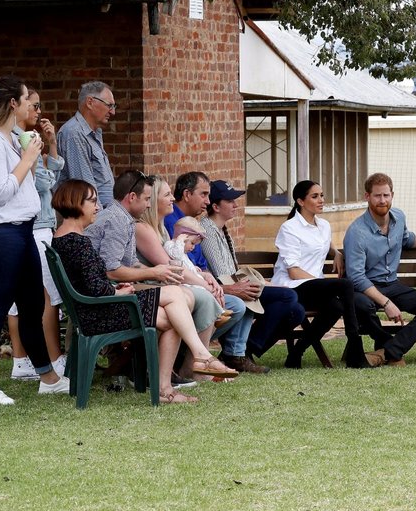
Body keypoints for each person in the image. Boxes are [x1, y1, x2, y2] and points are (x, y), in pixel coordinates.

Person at [51, 180, 237, 404]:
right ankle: (189, 366)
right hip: (101, 312)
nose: (98, 207)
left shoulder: (68, 237)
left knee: (172, 314)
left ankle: (179, 376)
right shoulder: (76, 242)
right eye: (92, 201)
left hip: (99, 307)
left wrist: (117, 289)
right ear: (75, 203)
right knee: (176, 298)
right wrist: (119, 293)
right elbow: (96, 286)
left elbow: (91, 282)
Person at [0, 76, 69, 405]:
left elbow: (30, 186)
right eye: (26, 99)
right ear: (13, 103)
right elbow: (0, 193)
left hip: (22, 230)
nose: (31, 106)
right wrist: (27, 160)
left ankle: (48, 378)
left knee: (31, 306)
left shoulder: (12, 137)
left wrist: (33, 155)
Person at [136, 176, 261, 375]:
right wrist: (206, 284)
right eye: (167, 194)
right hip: (157, 288)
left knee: (245, 301)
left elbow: (183, 264)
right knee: (210, 298)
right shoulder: (148, 227)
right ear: (151, 200)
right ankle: (197, 361)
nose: (171, 199)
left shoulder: (162, 227)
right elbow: (171, 266)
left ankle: (200, 361)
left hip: (172, 285)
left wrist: (205, 277)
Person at [200, 180, 305, 366]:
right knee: (288, 297)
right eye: (230, 201)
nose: (235, 205)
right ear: (215, 206)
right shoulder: (207, 229)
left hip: (234, 284)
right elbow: (223, 273)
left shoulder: (222, 230)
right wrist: (253, 283)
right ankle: (238, 353)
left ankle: (243, 351)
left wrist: (258, 281)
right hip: (222, 287)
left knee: (296, 311)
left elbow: (232, 271)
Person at [343, 173, 416, 367]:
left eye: (386, 195)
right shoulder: (357, 232)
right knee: (362, 305)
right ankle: (391, 349)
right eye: (377, 196)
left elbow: (407, 239)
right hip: (366, 288)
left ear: (392, 195)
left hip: (392, 284)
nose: (382, 200)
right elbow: (356, 277)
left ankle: (390, 350)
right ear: (367, 197)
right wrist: (386, 303)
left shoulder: (399, 217)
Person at [271, 180, 365, 369]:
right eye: (315, 196)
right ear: (300, 201)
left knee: (336, 307)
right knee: (345, 285)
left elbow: (321, 243)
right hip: (292, 287)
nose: (321, 200)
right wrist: (325, 286)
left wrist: (336, 253)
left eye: (322, 195)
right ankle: (355, 348)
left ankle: (296, 354)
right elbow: (294, 271)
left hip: (314, 287)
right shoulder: (289, 228)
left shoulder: (323, 225)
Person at [8, 87, 66, 380]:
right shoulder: (19, 140)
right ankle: (54, 359)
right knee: (47, 298)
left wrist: (51, 145)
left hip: (34, 227)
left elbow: (48, 178)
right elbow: (42, 184)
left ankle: (21, 361)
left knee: (24, 299)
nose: (38, 112)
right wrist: (44, 152)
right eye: (34, 105)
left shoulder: (25, 138)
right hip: (36, 228)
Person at [56, 80, 116, 207]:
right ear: (90, 102)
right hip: (91, 220)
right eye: (109, 105)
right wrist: (101, 222)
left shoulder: (95, 132)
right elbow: (85, 192)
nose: (112, 112)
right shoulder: (74, 133)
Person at [163, 171, 211, 270]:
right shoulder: (173, 223)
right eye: (203, 194)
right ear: (187, 195)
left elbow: (202, 265)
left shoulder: (191, 223)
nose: (208, 201)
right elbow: (183, 263)